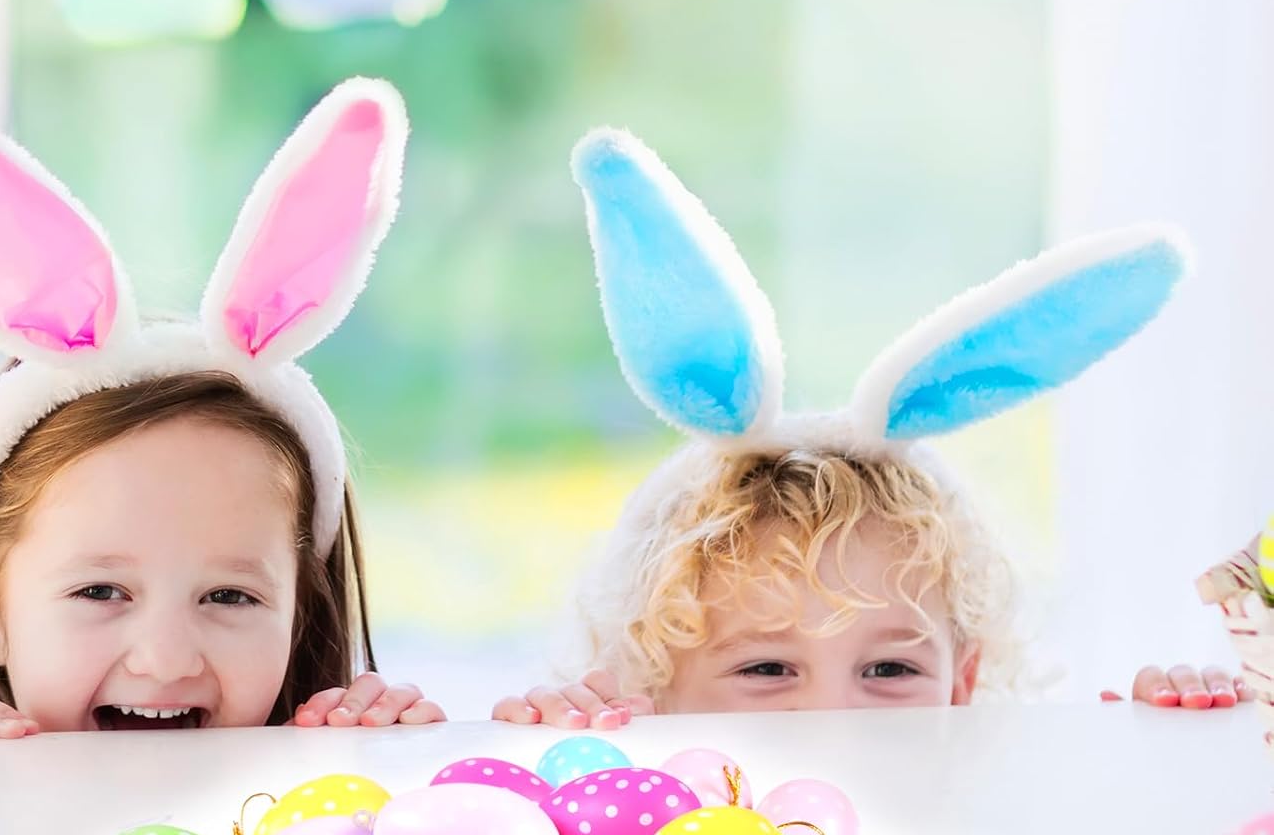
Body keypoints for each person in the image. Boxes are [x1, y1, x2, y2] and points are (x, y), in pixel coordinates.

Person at [492, 127, 1246, 729]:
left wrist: (1161, 757)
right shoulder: (637, 818)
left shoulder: (982, 801)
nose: (835, 717)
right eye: (766, 668)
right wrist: (562, 767)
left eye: (890, 669)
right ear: (649, 691)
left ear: (962, 684)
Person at [0, 78, 444, 738]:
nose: (166, 661)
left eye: (229, 596)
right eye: (100, 592)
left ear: (300, 614)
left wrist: (388, 778)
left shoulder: (336, 778)